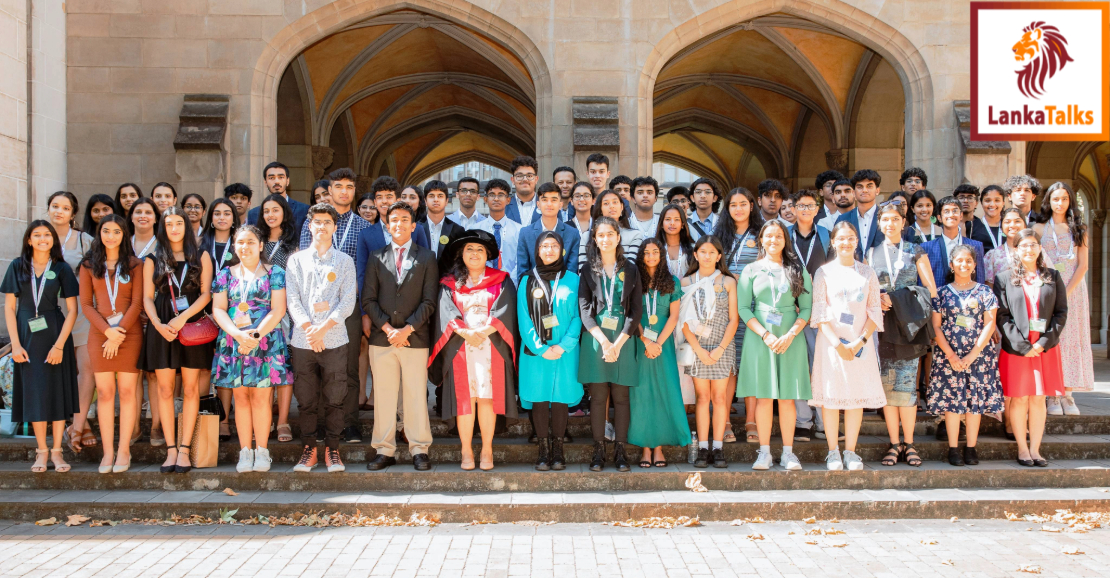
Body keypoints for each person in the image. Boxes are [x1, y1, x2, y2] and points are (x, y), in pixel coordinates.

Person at [430, 230, 519, 471]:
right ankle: (466, 449)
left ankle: (487, 449)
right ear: (461, 254)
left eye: (480, 249)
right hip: (461, 347)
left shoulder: (501, 280)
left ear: (488, 255)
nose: (475, 253)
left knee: (487, 398)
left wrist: (484, 331)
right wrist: (466, 332)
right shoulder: (450, 283)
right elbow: (446, 312)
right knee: (465, 400)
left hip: (491, 347)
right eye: (469, 249)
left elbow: (505, 310)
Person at [363, 202, 439, 472]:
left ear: (413, 225)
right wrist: (388, 329)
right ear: (387, 225)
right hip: (382, 338)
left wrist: (407, 329)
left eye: (405, 219)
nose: (399, 224)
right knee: (384, 397)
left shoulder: (427, 257)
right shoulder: (376, 257)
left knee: (416, 395)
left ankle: (419, 449)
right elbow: (368, 300)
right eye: (394, 220)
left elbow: (429, 301)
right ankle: (384, 449)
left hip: (414, 339)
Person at [140, 207, 214, 474]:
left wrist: (182, 318)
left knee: (191, 389)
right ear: (163, 228)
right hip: (162, 328)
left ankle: (185, 449)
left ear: (186, 226)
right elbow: (147, 297)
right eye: (169, 224)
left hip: (191, 326)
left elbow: (206, 294)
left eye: (178, 223)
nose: (174, 228)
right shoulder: (153, 259)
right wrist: (157, 324)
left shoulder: (201, 255)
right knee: (164, 389)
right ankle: (170, 449)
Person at [210, 225, 289, 473]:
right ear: (234, 246)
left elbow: (278, 309)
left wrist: (255, 335)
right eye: (241, 242)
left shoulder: (275, 272)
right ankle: (245, 451)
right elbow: (218, 309)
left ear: (261, 245)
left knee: (262, 398)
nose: (245, 247)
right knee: (241, 397)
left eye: (251, 242)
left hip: (264, 341)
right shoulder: (225, 274)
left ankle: (262, 450)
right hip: (234, 342)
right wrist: (237, 335)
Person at [2, 220, 79, 473]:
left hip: (55, 333)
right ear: (29, 239)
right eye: (37, 235)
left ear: (53, 240)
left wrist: (59, 346)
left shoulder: (61, 268)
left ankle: (57, 452)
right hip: (26, 335)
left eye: (47, 234)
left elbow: (72, 310)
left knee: (56, 392)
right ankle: (42, 451)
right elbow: (10, 308)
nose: (43, 238)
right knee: (35, 393)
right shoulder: (17, 266)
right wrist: (15, 344)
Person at [809, 222, 885, 471]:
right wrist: (837, 344)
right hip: (831, 344)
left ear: (856, 241)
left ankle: (851, 452)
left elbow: (874, 310)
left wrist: (859, 341)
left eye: (850, 238)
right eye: (841, 238)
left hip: (860, 344)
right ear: (833, 242)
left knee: (855, 399)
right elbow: (819, 311)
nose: (846, 242)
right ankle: (833, 452)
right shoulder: (823, 273)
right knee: (831, 399)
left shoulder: (867, 272)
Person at [286, 203, 356, 473]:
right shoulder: (296, 260)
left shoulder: (344, 261)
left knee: (335, 397)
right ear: (310, 225)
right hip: (303, 340)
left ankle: (333, 450)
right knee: (306, 399)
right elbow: (292, 299)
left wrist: (323, 328)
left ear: (335, 227)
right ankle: (309, 450)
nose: (322, 226)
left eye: (328, 222)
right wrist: (309, 329)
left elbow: (347, 300)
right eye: (317, 221)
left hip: (334, 338)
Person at [736, 220, 812, 471]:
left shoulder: (797, 269)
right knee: (764, 397)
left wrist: (791, 334)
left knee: (787, 398)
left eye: (778, 236)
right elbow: (744, 308)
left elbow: (807, 308)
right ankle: (765, 452)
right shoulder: (751, 270)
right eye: (768, 236)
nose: (773, 240)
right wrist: (765, 335)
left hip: (790, 337)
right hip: (760, 337)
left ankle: (789, 453)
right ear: (761, 239)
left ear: (785, 240)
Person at [867, 202, 938, 467]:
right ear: (879, 223)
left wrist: (895, 298)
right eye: (885, 219)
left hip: (909, 326)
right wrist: (877, 299)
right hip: (882, 327)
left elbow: (930, 289)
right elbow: (864, 288)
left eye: (895, 219)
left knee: (906, 388)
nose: (890, 224)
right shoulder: (871, 252)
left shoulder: (914, 250)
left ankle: (909, 444)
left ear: (903, 222)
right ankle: (894, 443)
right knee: (887, 388)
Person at [304, 168, 371, 444]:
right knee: (320, 367)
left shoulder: (364, 227)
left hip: (349, 307)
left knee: (349, 367)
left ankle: (350, 424)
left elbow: (365, 271)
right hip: (317, 309)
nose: (344, 191)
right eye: (338, 186)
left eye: (349, 187)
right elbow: (304, 265)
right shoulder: (313, 223)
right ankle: (322, 424)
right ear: (329, 190)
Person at [993, 229, 1068, 467]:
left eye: (1033, 244)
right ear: (1016, 250)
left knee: (1038, 398)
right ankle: (1023, 449)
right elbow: (1002, 316)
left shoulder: (1053, 276)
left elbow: (1061, 313)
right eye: (1024, 245)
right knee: (1019, 398)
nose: (1029, 249)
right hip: (1017, 349)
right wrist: (1023, 346)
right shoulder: (1004, 278)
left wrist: (1043, 343)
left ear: (1040, 248)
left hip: (1046, 347)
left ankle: (1036, 449)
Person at [78, 215, 144, 473]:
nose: (111, 236)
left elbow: (137, 303)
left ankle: (124, 450)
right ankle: (108, 452)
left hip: (129, 335)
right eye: (106, 231)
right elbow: (86, 304)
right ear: (99, 233)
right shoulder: (88, 265)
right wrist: (108, 331)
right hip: (100, 335)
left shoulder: (135, 264)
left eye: (117, 231)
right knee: (105, 394)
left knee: (127, 393)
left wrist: (119, 332)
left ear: (124, 234)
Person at [928, 245, 1003, 466]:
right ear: (952, 265)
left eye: (968, 260)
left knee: (974, 403)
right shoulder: (941, 293)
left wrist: (972, 355)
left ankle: (971, 448)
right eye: (959, 260)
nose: (964, 264)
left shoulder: (985, 292)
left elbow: (989, 324)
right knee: (952, 403)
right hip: (948, 356)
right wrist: (951, 355)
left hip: (979, 356)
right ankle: (953, 449)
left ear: (974, 265)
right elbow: (936, 326)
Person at [578, 217, 642, 472]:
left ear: (618, 237)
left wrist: (618, 343)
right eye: (600, 235)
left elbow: (636, 311)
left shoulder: (631, 269)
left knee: (622, 397)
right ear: (595, 239)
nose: (605, 239)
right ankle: (598, 450)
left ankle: (620, 451)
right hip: (596, 340)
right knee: (598, 398)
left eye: (610, 234)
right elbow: (585, 311)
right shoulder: (587, 270)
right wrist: (605, 342)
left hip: (623, 340)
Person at [517, 232, 582, 471]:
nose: (549, 250)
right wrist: (541, 348)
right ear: (538, 251)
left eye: (554, 245)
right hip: (536, 352)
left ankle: (558, 450)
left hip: (566, 351)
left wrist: (564, 345)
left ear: (562, 251)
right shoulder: (526, 280)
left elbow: (579, 316)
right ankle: (543, 451)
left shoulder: (573, 279)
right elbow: (524, 319)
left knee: (561, 398)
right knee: (540, 398)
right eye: (545, 246)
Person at [628, 238, 690, 467]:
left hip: (663, 345)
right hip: (639, 341)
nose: (651, 256)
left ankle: (659, 447)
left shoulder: (672, 282)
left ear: (661, 255)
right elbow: (632, 313)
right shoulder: (634, 280)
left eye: (655, 252)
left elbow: (674, 317)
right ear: (641, 256)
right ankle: (645, 447)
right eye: (646, 252)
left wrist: (658, 344)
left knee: (666, 391)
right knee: (641, 393)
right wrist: (646, 341)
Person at [679, 235, 739, 468]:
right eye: (702, 252)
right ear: (695, 254)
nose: (707, 256)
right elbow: (683, 321)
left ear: (719, 256)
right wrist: (699, 349)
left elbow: (734, 319)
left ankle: (718, 447)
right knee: (702, 398)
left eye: (712, 252)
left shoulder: (728, 282)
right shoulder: (686, 282)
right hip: (697, 347)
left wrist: (720, 348)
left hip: (723, 346)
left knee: (720, 398)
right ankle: (703, 447)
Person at [1033, 182, 1092, 414]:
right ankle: (1052, 395)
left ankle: (1068, 394)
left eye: (1064, 199)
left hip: (1074, 290)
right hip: (1047, 288)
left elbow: (1083, 265)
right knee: (1050, 338)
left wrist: (1065, 294)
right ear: (1048, 201)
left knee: (1072, 339)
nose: (1060, 203)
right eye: (1056, 199)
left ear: (1070, 201)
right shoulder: (1038, 228)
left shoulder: (1079, 229)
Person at [46, 192, 96, 453]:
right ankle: (82, 422)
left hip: (81, 311)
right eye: (55, 206)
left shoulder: (85, 240)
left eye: (65, 208)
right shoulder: (39, 236)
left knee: (86, 368)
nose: (59, 211)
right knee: (59, 369)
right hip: (49, 312)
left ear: (73, 213)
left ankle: (75, 426)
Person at [713, 187, 763, 443]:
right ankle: (725, 421)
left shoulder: (762, 234)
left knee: (750, 363)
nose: (739, 209)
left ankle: (751, 419)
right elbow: (710, 266)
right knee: (728, 365)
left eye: (743, 204)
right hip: (724, 307)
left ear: (752, 206)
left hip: (754, 307)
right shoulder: (719, 235)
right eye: (733, 205)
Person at [786, 189, 831, 441]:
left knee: (820, 365)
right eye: (800, 205)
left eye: (810, 205)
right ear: (793, 209)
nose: (805, 209)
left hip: (820, 309)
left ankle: (824, 421)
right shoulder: (784, 235)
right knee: (798, 366)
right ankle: (803, 421)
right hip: (791, 309)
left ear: (817, 209)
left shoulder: (826, 235)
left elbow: (835, 269)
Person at [257, 193, 299, 443]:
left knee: (284, 366)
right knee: (262, 365)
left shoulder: (294, 243)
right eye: (266, 211)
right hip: (258, 313)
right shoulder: (256, 240)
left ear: (284, 212)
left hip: (287, 313)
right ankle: (264, 419)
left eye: (275, 210)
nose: (270, 215)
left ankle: (283, 421)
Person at [516, 182, 581, 278]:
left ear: (560, 205)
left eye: (554, 200)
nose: (549, 204)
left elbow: (572, 272)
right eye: (544, 200)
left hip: (563, 285)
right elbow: (522, 271)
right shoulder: (525, 233)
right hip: (533, 285)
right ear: (538, 204)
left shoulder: (573, 234)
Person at [921, 196, 987, 285]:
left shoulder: (976, 246)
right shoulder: (926, 247)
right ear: (939, 217)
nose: (951, 215)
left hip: (967, 293)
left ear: (961, 215)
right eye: (946, 212)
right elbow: (922, 283)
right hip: (937, 293)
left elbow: (980, 280)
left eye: (955, 211)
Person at [470, 179, 524, 285]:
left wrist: (510, 282)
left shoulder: (520, 230)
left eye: (501, 195)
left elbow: (521, 261)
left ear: (508, 200)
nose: (496, 199)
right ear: (485, 199)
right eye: (492, 195)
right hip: (482, 285)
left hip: (511, 284)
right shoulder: (474, 230)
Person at [247, 161, 310, 233]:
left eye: (281, 177)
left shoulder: (304, 210)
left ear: (287, 181)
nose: (276, 181)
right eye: (271, 178)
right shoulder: (254, 214)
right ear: (265, 182)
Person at [834, 170, 883, 259]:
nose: (864, 190)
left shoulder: (886, 218)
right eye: (860, 187)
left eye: (869, 186)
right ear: (853, 192)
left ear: (877, 190)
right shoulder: (843, 219)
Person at [591, 189, 643, 262]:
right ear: (600, 209)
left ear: (621, 207)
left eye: (615, 202)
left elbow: (631, 265)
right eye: (606, 203)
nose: (611, 206)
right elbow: (583, 267)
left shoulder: (635, 235)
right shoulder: (587, 236)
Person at [420, 180, 465, 260]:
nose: (436, 199)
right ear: (425, 201)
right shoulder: (415, 228)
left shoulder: (457, 230)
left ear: (446, 201)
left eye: (440, 196)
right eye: (431, 196)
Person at [656, 203, 696, 278]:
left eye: (677, 219)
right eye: (668, 219)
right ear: (661, 224)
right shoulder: (655, 248)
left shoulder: (693, 248)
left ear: (682, 224)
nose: (672, 223)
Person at [201, 197, 240, 274]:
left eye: (227, 214)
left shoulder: (240, 244)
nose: (222, 218)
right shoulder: (200, 243)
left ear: (233, 218)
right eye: (217, 214)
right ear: (211, 218)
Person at [506, 155, 541, 225]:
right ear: (512, 180)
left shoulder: (547, 206)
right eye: (519, 176)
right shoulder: (504, 207)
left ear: (536, 179)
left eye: (529, 176)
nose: (525, 179)